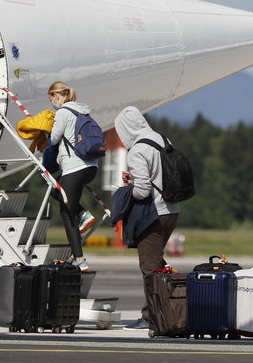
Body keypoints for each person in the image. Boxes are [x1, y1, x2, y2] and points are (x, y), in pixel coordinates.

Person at [114, 106, 180, 330]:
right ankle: (167, 308)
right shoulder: (162, 139)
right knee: (158, 264)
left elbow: (142, 191)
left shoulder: (137, 150)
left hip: (153, 214)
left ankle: (152, 316)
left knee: (150, 268)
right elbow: (158, 176)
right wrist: (137, 181)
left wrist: (124, 192)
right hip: (172, 210)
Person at [48, 81, 98, 272]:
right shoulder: (83, 111)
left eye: (51, 98)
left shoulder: (63, 112)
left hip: (74, 167)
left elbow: (53, 139)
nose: (52, 102)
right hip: (90, 166)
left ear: (57, 96)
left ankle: (79, 259)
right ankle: (83, 213)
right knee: (56, 189)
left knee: (66, 213)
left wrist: (48, 128)